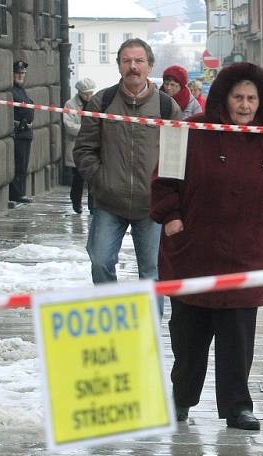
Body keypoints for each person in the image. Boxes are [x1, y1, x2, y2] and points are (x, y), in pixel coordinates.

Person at [150, 62, 263, 431]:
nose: (244, 105)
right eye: (238, 97)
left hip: (247, 252)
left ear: (262, 102)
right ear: (224, 99)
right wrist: (170, 216)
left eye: (251, 98)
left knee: (237, 339)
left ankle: (237, 406)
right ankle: (181, 399)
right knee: (189, 338)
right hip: (192, 252)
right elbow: (162, 179)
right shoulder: (189, 131)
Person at [73, 38, 183, 295]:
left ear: (150, 65)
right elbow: (83, 150)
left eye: (139, 61)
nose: (133, 66)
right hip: (109, 203)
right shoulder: (102, 102)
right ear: (119, 65)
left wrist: (167, 195)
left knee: (152, 273)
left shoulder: (167, 107)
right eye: (127, 61)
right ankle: (114, 326)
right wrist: (102, 179)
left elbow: (177, 158)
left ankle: (149, 334)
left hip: (152, 207)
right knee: (100, 263)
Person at [64, 77, 97, 214]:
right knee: (78, 177)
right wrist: (86, 129)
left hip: (92, 146)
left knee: (92, 177)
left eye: (90, 93)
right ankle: (76, 201)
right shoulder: (70, 104)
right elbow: (68, 125)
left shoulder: (96, 103)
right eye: (86, 94)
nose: (88, 96)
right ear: (80, 92)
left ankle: (92, 206)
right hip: (76, 145)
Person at [10, 60, 34, 205]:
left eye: (22, 74)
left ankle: (21, 191)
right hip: (19, 132)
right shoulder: (13, 91)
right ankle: (17, 193)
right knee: (18, 164)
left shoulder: (22, 90)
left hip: (26, 133)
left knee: (23, 165)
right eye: (18, 73)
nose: (20, 76)